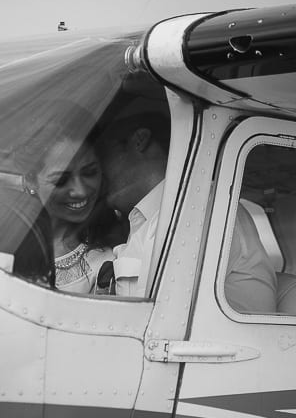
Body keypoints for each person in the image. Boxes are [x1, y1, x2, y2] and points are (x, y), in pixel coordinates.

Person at [96, 94, 277, 311]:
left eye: (103, 150)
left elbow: (145, 315)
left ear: (139, 140)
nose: (97, 168)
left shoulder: (199, 208)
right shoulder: (151, 217)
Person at [14, 102, 125, 293]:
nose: (80, 191)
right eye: (61, 180)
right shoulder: (6, 237)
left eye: (89, 173)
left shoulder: (117, 249)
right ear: (31, 180)